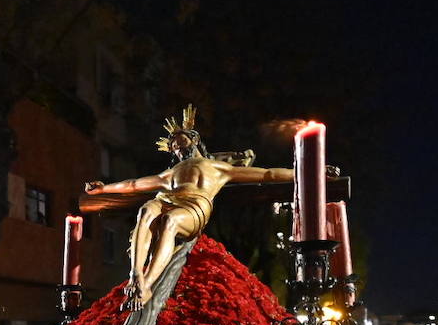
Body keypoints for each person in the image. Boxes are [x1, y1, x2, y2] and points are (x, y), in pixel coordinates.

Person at [83, 104, 295, 309]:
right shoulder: (171, 173)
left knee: (170, 221)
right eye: (172, 145)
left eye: (179, 139)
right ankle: (136, 273)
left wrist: (303, 172)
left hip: (194, 207)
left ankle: (147, 285)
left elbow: (268, 174)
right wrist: (104, 189)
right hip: (167, 199)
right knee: (146, 210)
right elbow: (133, 184)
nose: (175, 146)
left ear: (194, 138)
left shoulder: (218, 167)